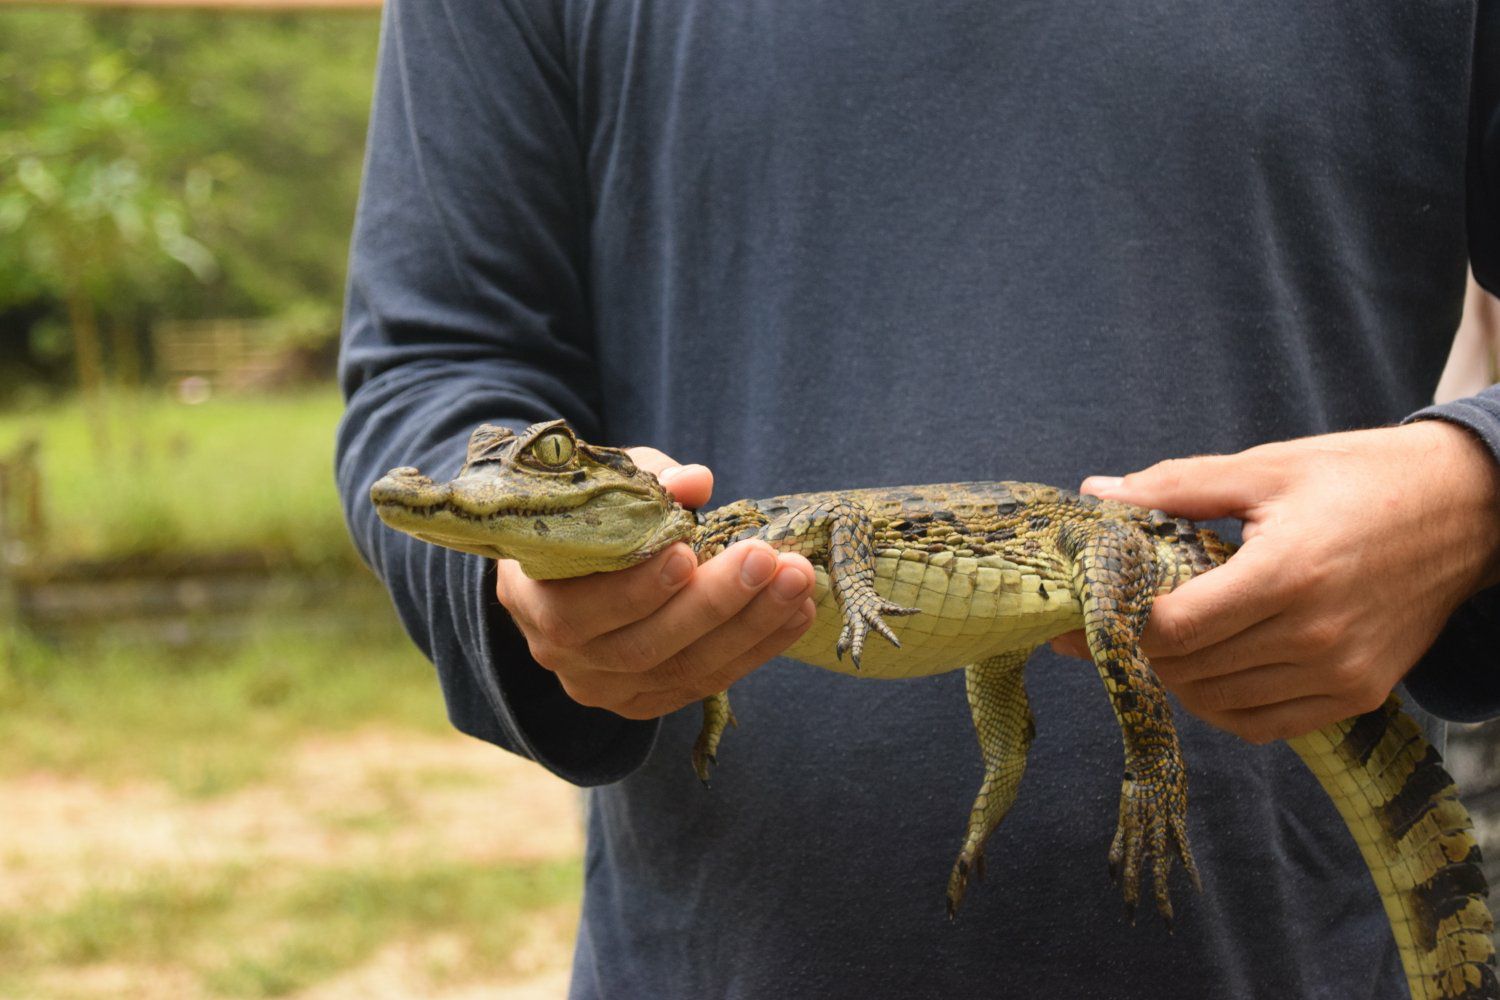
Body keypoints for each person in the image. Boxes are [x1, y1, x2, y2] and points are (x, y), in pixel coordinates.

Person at [336, 2, 1500, 996]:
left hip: (1299, 943)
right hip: (722, 950)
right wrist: (529, 598)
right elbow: (432, 361)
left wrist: (1476, 484)